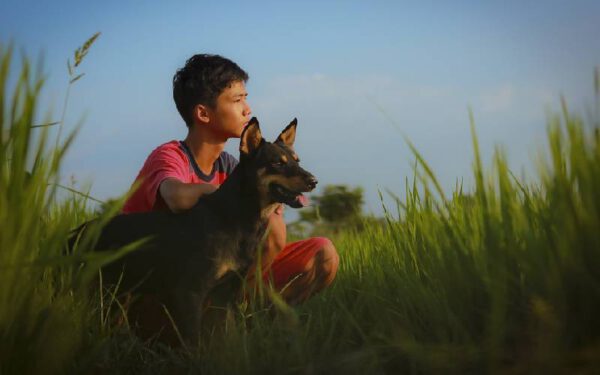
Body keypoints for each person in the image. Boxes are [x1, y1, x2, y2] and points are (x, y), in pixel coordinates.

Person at [120, 54, 339, 340]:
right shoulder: (170, 155)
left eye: (246, 98)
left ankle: (238, 322)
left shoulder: (232, 167)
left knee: (322, 254)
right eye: (237, 100)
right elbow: (174, 196)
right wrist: (221, 195)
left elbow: (268, 232)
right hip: (156, 288)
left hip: (222, 279)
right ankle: (201, 331)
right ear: (203, 113)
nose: (247, 109)